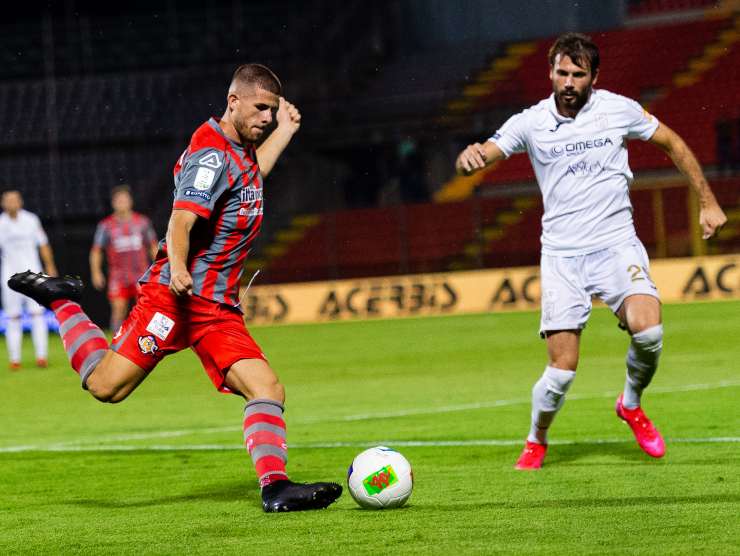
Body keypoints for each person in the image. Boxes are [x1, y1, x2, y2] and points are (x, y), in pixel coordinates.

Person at [9, 64, 342, 511]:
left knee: (267, 388)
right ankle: (63, 302)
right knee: (107, 387)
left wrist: (285, 132)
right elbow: (181, 218)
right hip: (177, 298)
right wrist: (180, 268)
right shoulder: (211, 155)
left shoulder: (239, 150)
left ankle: (275, 488)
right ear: (233, 102)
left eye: (273, 110)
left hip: (217, 308)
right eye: (261, 108)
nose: (267, 117)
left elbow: (249, 178)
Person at [455, 33, 727, 469]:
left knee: (650, 332)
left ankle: (631, 404)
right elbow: (486, 153)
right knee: (562, 371)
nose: (568, 81)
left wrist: (708, 202)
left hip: (616, 245)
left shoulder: (617, 109)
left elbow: (673, 142)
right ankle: (536, 438)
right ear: (550, 72)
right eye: (562, 72)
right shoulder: (530, 122)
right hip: (563, 256)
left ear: (593, 78)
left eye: (578, 74)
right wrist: (470, 157)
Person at [0, 190, 58, 370]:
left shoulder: (31, 220)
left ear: (20, 201)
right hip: (9, 276)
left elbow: (43, 244)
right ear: (3, 203)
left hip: (33, 275)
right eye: (8, 200)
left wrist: (50, 267)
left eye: (15, 199)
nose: (12, 203)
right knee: (13, 317)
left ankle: (41, 357)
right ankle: (15, 359)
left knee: (37, 314)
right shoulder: (1, 223)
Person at [90, 185, 159, 332]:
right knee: (118, 310)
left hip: (141, 275)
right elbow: (96, 251)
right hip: (118, 276)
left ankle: (145, 342)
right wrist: (96, 272)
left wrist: (159, 268)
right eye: (118, 200)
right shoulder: (106, 226)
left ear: (130, 201)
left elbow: (153, 247)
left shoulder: (142, 222)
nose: (122, 202)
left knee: (144, 309)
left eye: (124, 199)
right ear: (113, 203)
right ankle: (117, 343)